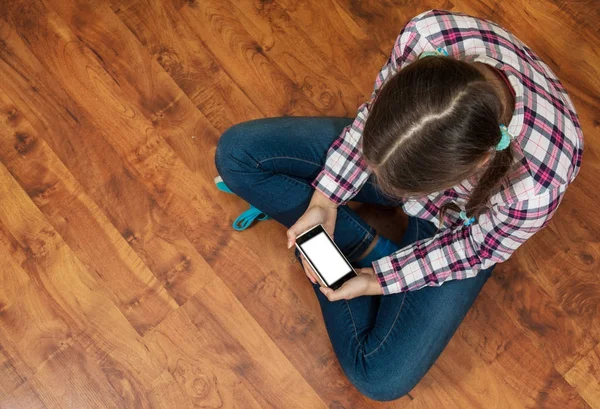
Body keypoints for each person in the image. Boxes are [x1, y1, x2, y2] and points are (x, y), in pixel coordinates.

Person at [214, 9, 583, 401]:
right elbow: (369, 119)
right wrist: (324, 200)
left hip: (456, 226)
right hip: (420, 150)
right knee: (236, 153)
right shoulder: (426, 35)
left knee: (379, 378)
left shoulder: (537, 185)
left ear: (477, 165)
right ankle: (359, 245)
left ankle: (359, 251)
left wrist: (377, 280)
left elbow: (474, 249)